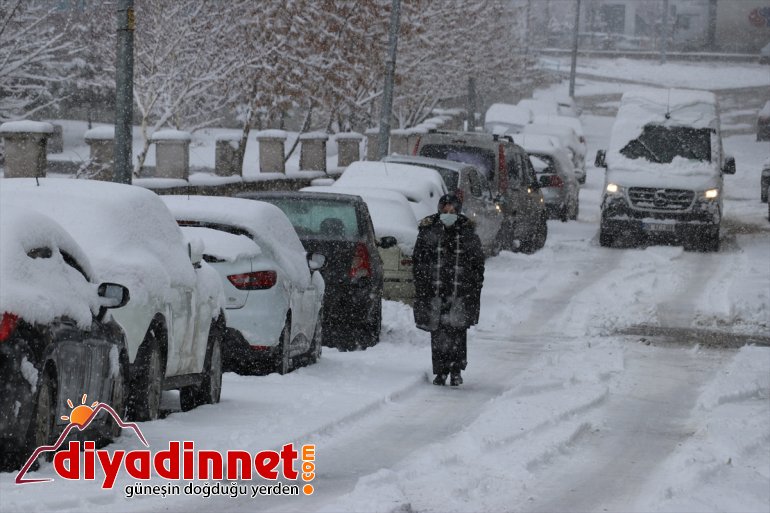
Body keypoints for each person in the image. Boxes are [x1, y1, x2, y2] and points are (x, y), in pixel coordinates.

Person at [412, 193, 485, 386]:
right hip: (434, 290)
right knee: (438, 332)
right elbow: (419, 260)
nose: (448, 213)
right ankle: (441, 370)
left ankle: (456, 370)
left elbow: (477, 263)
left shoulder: (467, 231)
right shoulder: (429, 229)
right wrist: (423, 283)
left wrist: (474, 287)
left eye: (452, 209)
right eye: (445, 209)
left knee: (457, 330)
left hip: (460, 291)